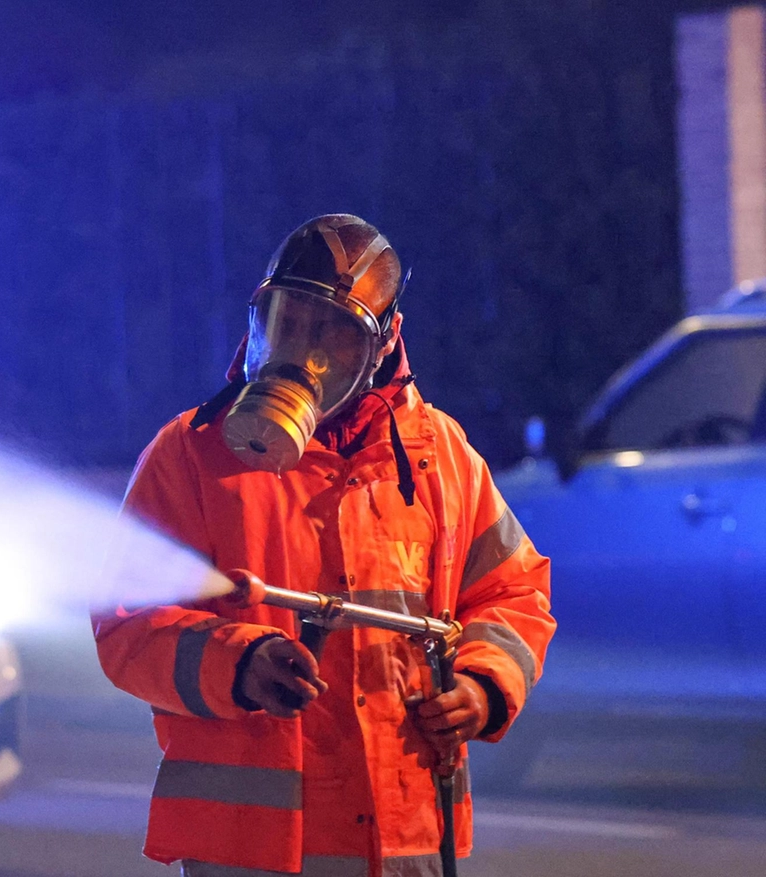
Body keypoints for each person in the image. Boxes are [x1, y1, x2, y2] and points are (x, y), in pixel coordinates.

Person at [93, 214, 554, 877]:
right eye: (288, 320)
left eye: (332, 332)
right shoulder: (191, 455)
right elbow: (128, 624)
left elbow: (514, 591)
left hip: (405, 842)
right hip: (251, 853)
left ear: (384, 341)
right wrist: (242, 664)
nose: (302, 351)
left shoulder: (439, 456)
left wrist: (481, 684)